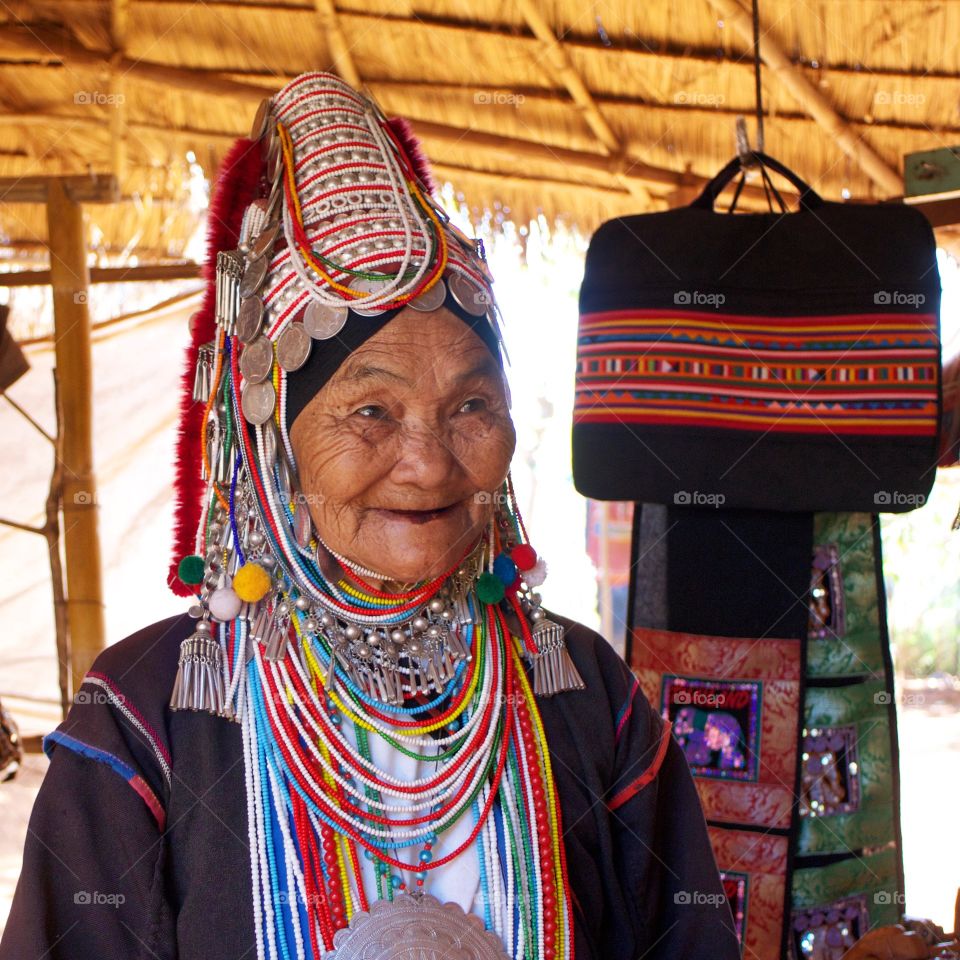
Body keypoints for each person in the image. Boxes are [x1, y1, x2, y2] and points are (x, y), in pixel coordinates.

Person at [0, 72, 740, 960]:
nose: (428, 463)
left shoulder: (589, 696)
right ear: (274, 440)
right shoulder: (144, 716)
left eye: (472, 407)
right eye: (371, 412)